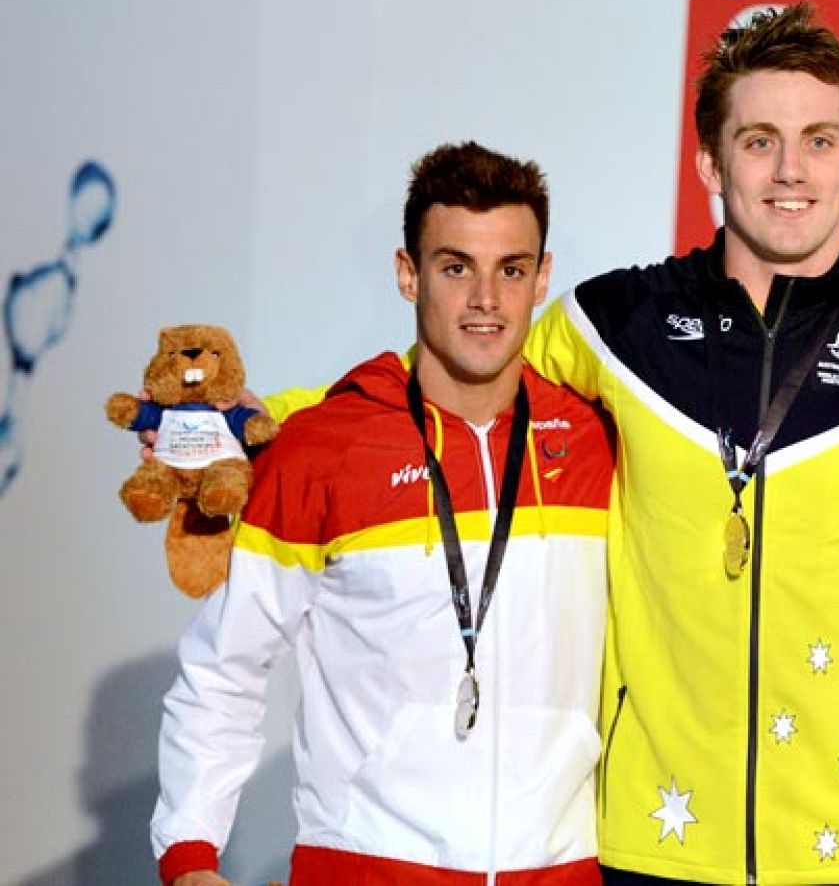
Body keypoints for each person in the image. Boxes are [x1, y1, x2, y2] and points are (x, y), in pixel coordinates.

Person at [527, 3, 839, 885]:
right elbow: (456, 400)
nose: (792, 170)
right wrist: (262, 431)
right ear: (709, 161)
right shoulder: (615, 324)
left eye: (819, 140)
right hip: (657, 835)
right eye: (760, 140)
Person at [150, 142, 615, 886]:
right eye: (455, 267)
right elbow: (224, 667)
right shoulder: (321, 450)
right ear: (408, 274)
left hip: (558, 871)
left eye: (512, 270)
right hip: (365, 867)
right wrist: (190, 853)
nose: (486, 300)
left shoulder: (595, 442)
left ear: (543, 278)